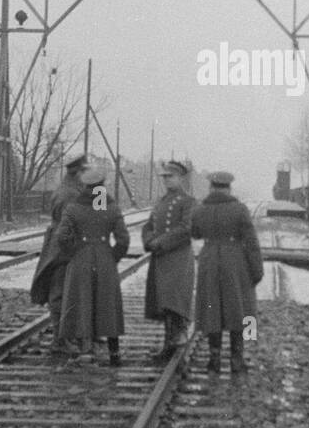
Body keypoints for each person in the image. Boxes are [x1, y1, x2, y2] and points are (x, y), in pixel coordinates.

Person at [52, 164, 130, 365]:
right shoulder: (110, 207)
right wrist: (112, 257)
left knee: (82, 302)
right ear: (102, 185)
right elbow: (123, 240)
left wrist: (73, 254)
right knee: (108, 305)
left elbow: (61, 237)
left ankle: (86, 350)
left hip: (81, 260)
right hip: (105, 258)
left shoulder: (74, 207)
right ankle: (114, 352)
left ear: (85, 186)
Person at [191, 171, 263, 376]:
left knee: (212, 308)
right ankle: (236, 360)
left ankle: (214, 359)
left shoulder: (199, 210)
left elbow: (195, 233)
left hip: (209, 261)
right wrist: (256, 272)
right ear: (229, 188)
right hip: (235, 263)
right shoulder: (240, 210)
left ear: (211, 187)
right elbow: (251, 243)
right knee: (238, 309)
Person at [29, 154, 90, 346]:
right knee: (60, 294)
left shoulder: (72, 190)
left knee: (65, 292)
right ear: (77, 173)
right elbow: (69, 226)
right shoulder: (69, 195)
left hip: (65, 248)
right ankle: (61, 340)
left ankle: (68, 336)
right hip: (64, 251)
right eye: (85, 172)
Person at [142, 159, 196, 365]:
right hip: (161, 258)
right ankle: (168, 344)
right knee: (163, 301)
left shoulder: (188, 201)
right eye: (165, 177)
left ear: (181, 178)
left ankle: (178, 337)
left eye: (170, 177)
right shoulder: (161, 201)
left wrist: (160, 243)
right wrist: (148, 241)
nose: (167, 180)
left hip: (178, 258)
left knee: (175, 299)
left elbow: (186, 229)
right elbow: (149, 225)